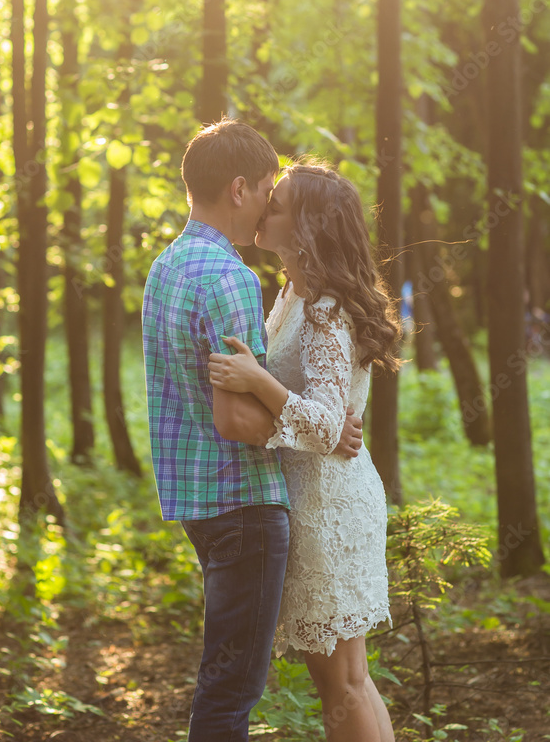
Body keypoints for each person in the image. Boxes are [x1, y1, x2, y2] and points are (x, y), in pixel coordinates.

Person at [141, 121, 363, 742]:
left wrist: (314, 419)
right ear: (239, 188)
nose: (270, 200)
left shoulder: (168, 265)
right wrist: (324, 428)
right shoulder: (230, 276)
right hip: (242, 500)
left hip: (198, 502)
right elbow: (236, 417)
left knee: (229, 679)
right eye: (268, 187)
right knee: (232, 688)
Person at [209, 161, 399, 742]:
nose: (265, 209)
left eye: (281, 203)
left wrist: (255, 380)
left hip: (328, 506)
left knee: (343, 685)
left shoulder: (324, 309)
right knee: (350, 680)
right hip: (318, 493)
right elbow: (322, 417)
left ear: (310, 226)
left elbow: (320, 423)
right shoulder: (294, 293)